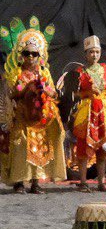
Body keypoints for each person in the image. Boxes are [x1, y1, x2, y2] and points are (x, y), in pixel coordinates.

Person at [2, 19, 67, 193]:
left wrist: (45, 89)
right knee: (21, 147)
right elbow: (9, 94)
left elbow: (53, 93)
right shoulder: (17, 72)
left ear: (40, 55)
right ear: (21, 54)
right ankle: (18, 182)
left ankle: (35, 182)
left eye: (34, 54)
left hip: (40, 118)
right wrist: (25, 89)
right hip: (21, 117)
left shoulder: (44, 73)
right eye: (27, 53)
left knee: (39, 149)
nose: (30, 57)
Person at [70, 35, 106, 192]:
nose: (94, 55)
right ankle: (83, 182)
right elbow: (74, 93)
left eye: (97, 52)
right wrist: (86, 93)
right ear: (85, 54)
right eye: (91, 52)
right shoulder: (80, 72)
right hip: (86, 112)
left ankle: (101, 182)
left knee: (102, 147)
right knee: (83, 147)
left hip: (102, 113)